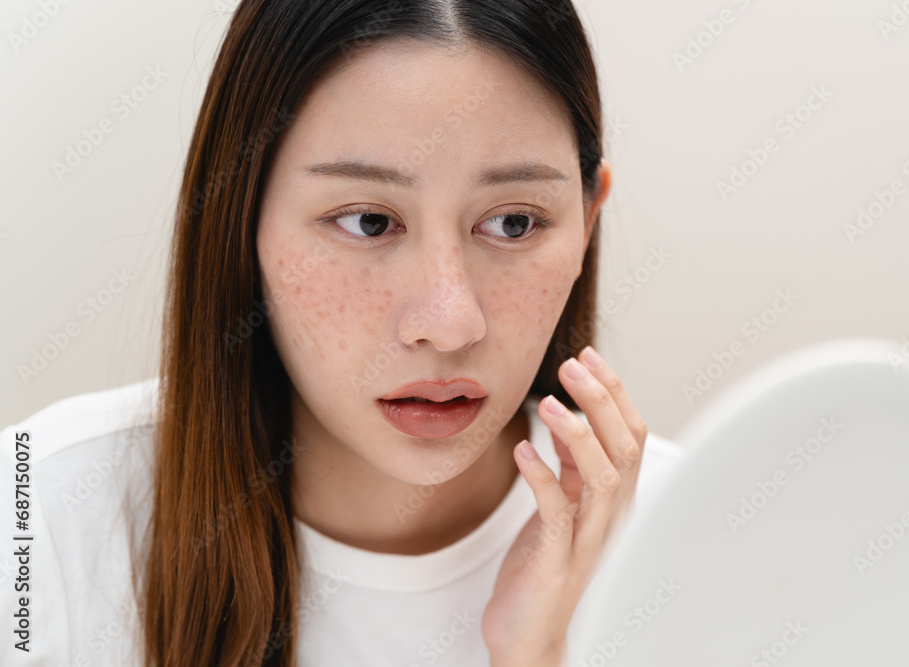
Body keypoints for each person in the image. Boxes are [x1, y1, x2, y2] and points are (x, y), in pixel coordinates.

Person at [0, 1, 685, 665]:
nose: (448, 323)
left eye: (514, 223)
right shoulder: (36, 518)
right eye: (368, 221)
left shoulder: (697, 532)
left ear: (586, 222)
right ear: (241, 218)